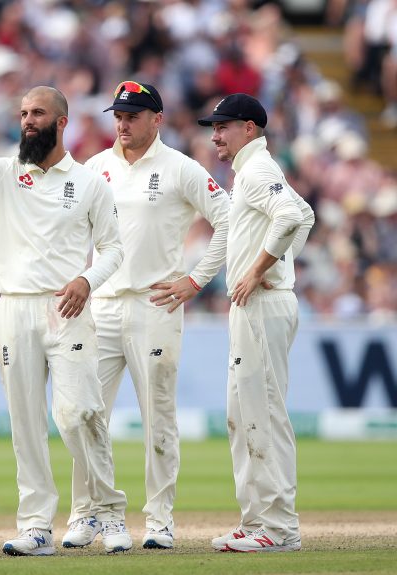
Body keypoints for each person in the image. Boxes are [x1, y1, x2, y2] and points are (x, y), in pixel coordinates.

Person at [0, 49, 130, 556]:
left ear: (60, 122)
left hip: (66, 309)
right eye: (23, 114)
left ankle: (109, 513)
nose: (27, 121)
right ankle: (36, 525)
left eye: (37, 114)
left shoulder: (90, 182)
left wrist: (88, 280)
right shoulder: (5, 173)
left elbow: (114, 249)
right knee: (25, 421)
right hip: (14, 309)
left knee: (79, 413)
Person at [68, 81, 230, 550]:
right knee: (83, 413)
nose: (122, 124)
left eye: (133, 115)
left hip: (155, 304)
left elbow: (229, 218)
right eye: (118, 115)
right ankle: (89, 512)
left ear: (156, 119)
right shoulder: (95, 167)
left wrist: (196, 279)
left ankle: (159, 521)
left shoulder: (181, 168)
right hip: (101, 304)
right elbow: (70, 231)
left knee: (158, 416)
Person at [198, 94, 314, 552]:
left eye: (223, 126)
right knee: (241, 415)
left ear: (249, 128)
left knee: (264, 413)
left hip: (262, 305)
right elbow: (304, 214)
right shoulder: (251, 171)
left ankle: (280, 529)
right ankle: (255, 519)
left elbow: (289, 216)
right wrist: (280, 263)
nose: (215, 135)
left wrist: (259, 271)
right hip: (255, 307)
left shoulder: (259, 169)